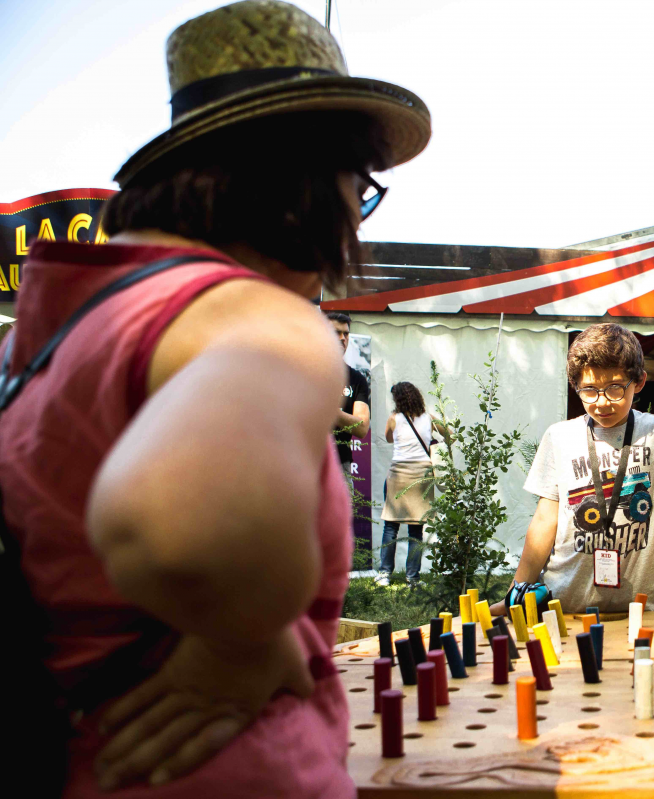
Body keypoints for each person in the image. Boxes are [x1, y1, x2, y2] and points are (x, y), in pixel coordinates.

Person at [0, 1, 431, 795]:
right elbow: (182, 524)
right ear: (314, 182)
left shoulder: (44, 340)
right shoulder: (256, 316)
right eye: (360, 192)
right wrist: (246, 640)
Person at [491, 323, 654, 616]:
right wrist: (518, 593)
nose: (602, 402)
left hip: (638, 608)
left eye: (615, 387)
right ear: (576, 386)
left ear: (638, 382)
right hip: (564, 606)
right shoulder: (559, 436)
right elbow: (544, 520)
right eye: (589, 389)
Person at [380, 381, 449, 586]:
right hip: (422, 476)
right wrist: (435, 444)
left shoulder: (394, 418)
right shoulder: (429, 418)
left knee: (390, 526)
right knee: (415, 530)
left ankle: (385, 574)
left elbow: (388, 439)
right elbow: (450, 436)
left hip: (398, 476)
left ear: (398, 399)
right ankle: (412, 577)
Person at [325, 311, 370, 478]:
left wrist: (329, 411)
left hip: (341, 464)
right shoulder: (304, 371)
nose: (343, 338)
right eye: (336, 332)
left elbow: (362, 427)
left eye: (346, 333)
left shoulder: (357, 379)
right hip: (306, 462)